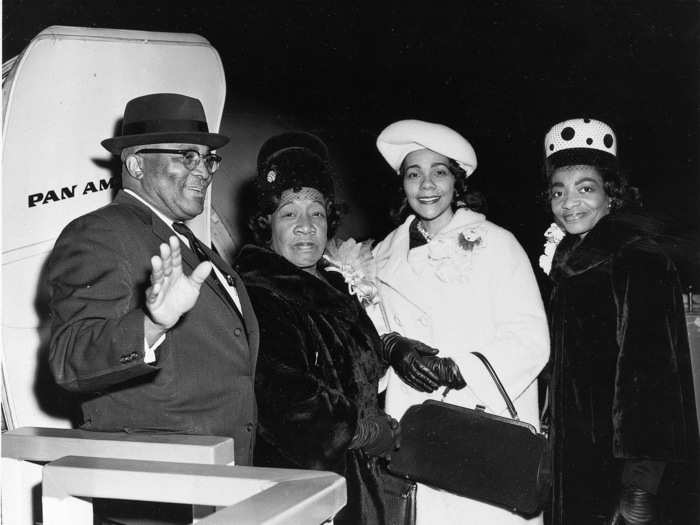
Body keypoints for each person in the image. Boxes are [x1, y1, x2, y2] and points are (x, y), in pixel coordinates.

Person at [48, 93, 259, 522]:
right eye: (187, 156)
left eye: (208, 159)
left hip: (219, 485)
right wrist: (152, 323)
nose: (204, 171)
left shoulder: (191, 243)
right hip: (158, 499)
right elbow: (69, 358)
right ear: (136, 163)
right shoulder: (100, 233)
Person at [235, 131, 459, 525]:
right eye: (289, 213)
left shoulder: (330, 282)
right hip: (308, 489)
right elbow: (289, 405)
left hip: (356, 480)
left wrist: (390, 346)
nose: (306, 227)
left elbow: (359, 357)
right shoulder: (261, 292)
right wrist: (364, 432)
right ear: (266, 222)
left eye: (317, 213)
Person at [368, 119, 550, 524]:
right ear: (403, 184)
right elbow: (369, 325)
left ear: (457, 182)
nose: (427, 185)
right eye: (414, 174)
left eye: (439, 172)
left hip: (484, 428)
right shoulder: (382, 256)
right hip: (418, 432)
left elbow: (530, 337)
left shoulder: (499, 245)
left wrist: (460, 369)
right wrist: (392, 346)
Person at [542, 117, 698, 525]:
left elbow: (654, 379)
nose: (569, 202)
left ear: (611, 197)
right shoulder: (574, 262)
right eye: (559, 191)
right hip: (573, 463)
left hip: (618, 474)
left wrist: (640, 486)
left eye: (585, 188)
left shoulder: (637, 258)